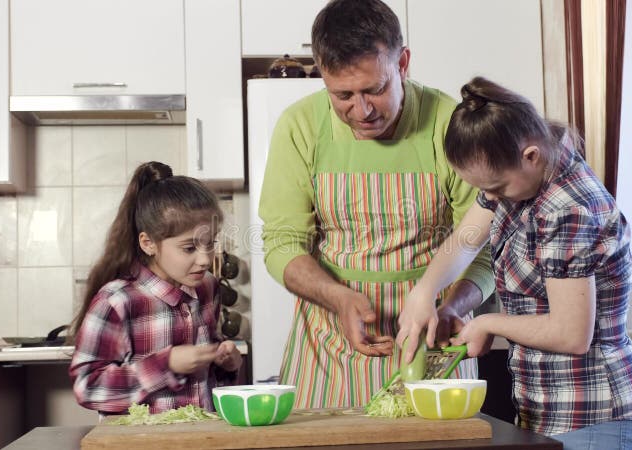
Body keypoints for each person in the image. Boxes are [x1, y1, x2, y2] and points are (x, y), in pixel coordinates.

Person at [259, 0, 494, 409]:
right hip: (329, 344)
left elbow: (482, 246)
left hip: (431, 342)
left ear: (403, 63)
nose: (362, 110)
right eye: (343, 95)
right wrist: (339, 298)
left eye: (375, 89)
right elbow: (282, 244)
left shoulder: (448, 125)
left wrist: (451, 306)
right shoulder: (299, 126)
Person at [397, 76, 632, 449]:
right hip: (546, 411)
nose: (489, 198)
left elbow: (571, 333)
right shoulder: (521, 175)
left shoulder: (569, 209)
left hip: (595, 416)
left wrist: (486, 321)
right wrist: (427, 293)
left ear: (530, 156)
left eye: (496, 188)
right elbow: (467, 240)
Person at [69, 161, 242, 415]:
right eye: (189, 248)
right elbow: (87, 387)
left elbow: (207, 379)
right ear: (149, 243)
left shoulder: (207, 289)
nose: (206, 259)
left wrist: (226, 364)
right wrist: (167, 364)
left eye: (210, 244)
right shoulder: (117, 301)